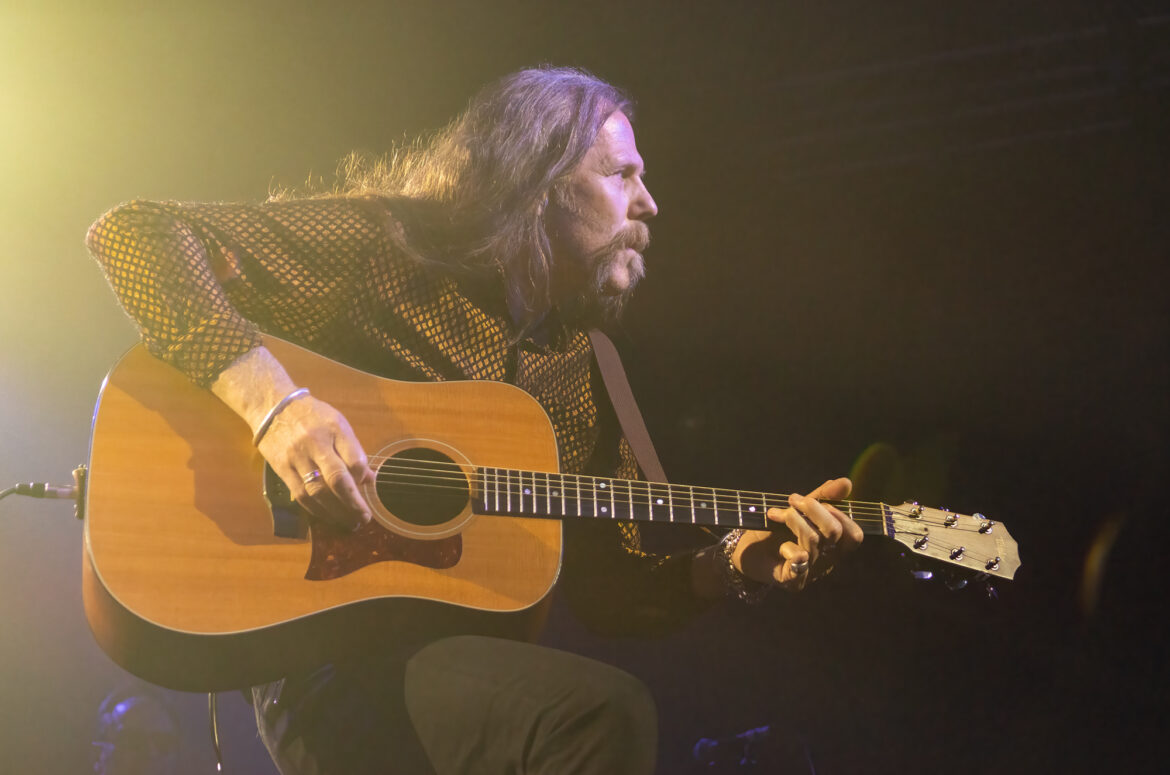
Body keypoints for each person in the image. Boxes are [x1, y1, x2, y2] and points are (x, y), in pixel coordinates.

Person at [87, 66, 863, 775]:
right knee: (600, 713)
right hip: (323, 659)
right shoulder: (386, 250)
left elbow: (612, 587)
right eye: (622, 173)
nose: (649, 202)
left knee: (595, 709)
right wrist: (278, 407)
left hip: (465, 687)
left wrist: (734, 561)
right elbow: (135, 233)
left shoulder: (584, 373)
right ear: (536, 180)